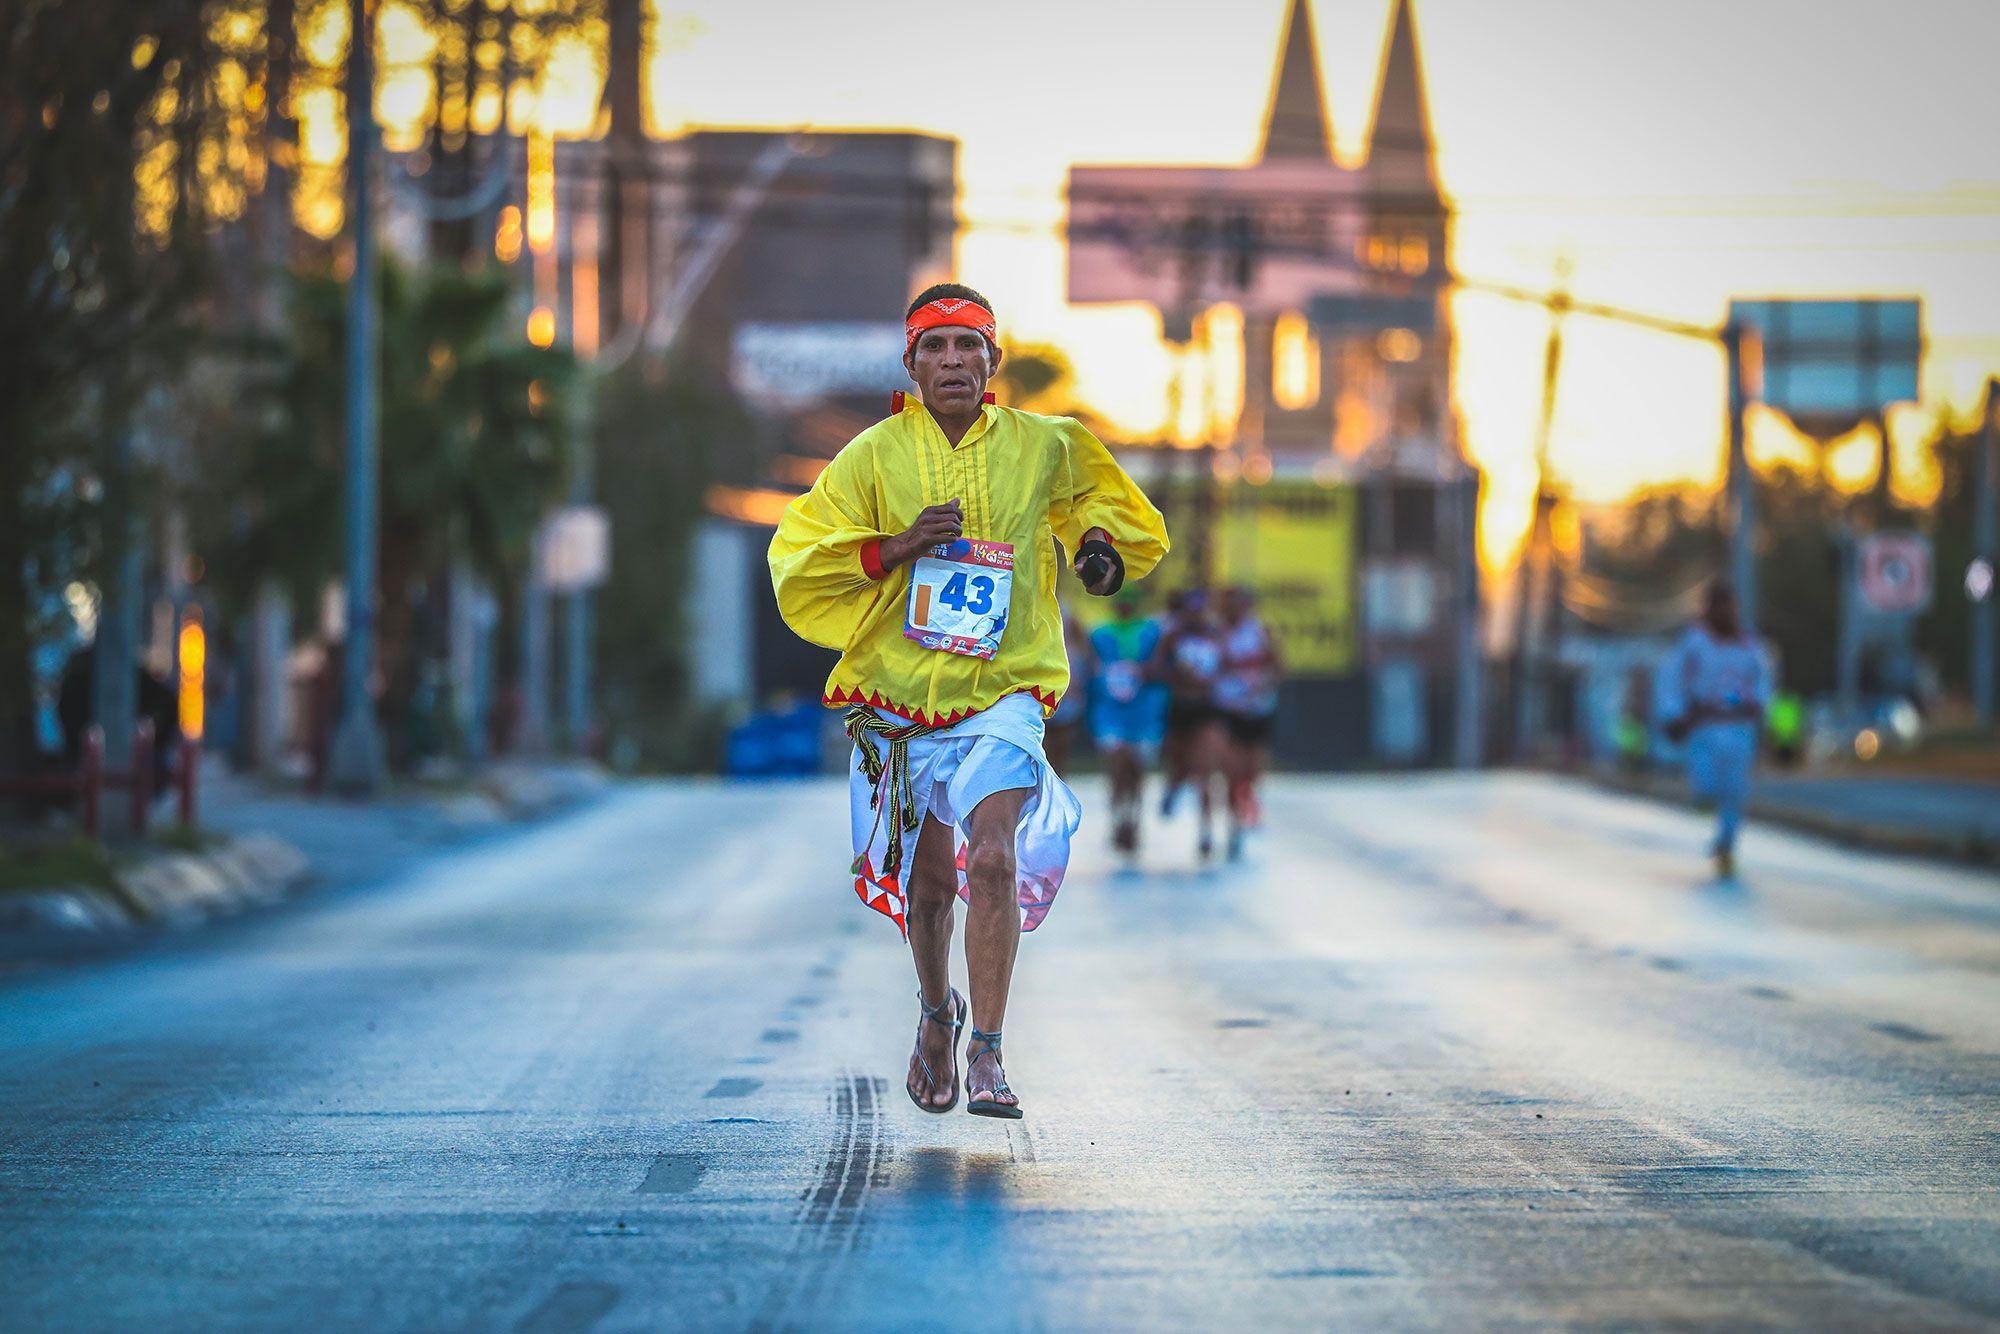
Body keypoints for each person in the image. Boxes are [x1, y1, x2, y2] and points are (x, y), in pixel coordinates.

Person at [769, 282, 1169, 1119]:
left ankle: (987, 1050)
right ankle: (933, 1015)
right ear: (911, 363)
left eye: (968, 346)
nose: (952, 361)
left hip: (1005, 686)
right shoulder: (872, 456)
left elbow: (1106, 506)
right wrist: (896, 545)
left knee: (990, 859)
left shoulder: (1045, 443)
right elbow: (799, 554)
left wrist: (1098, 550)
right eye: (935, 348)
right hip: (901, 692)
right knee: (927, 889)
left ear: (994, 361)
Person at [1659, 581, 1770, 878]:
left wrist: (1757, 705)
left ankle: (1726, 845)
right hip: (1704, 725)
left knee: (1734, 791)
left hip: (1738, 727)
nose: (1725, 611)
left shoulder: (1748, 645)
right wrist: (1673, 714)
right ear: (1708, 608)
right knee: (1706, 785)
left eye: (1729, 605)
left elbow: (1761, 682)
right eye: (1718, 605)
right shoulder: (1694, 643)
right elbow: (1674, 681)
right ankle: (1706, 802)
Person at [1087, 587, 1167, 857]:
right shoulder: (1100, 634)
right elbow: (1091, 669)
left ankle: (1133, 818)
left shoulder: (1151, 631)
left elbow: (1160, 667)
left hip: (1145, 712)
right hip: (1111, 712)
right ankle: (1118, 818)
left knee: (1137, 769)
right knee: (1117, 764)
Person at [1157, 587, 1228, 861]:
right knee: (1182, 765)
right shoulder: (1173, 636)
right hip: (1180, 707)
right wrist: (1178, 675)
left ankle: (1206, 832)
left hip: (1206, 708)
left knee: (1205, 770)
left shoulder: (1216, 635)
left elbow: (1229, 666)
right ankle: (1174, 787)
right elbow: (1158, 666)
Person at [1214, 586, 1281, 859]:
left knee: (1252, 769)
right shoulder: (1216, 634)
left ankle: (1248, 800)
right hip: (1227, 708)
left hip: (1258, 707)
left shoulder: (1261, 631)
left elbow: (1278, 666)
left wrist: (1264, 686)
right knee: (1233, 770)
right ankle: (1235, 824)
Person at [1043, 609, 1090, 776]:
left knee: (1063, 739)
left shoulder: (1068, 611)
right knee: (1045, 736)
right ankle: (1046, 775)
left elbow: (1083, 643)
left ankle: (1058, 774)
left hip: (1066, 675)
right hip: (1043, 673)